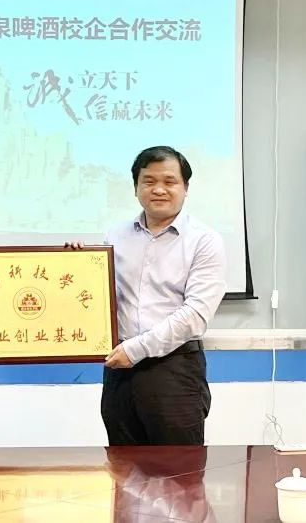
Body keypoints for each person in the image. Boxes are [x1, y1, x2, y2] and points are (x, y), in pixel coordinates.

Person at [100, 145, 226, 446]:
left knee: (179, 470)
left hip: (174, 371)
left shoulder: (204, 241)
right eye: (148, 181)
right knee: (122, 466)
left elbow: (195, 315)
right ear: (136, 187)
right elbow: (98, 300)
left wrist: (136, 349)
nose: (158, 189)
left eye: (169, 181)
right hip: (120, 372)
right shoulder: (114, 237)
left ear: (185, 188)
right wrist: (73, 264)